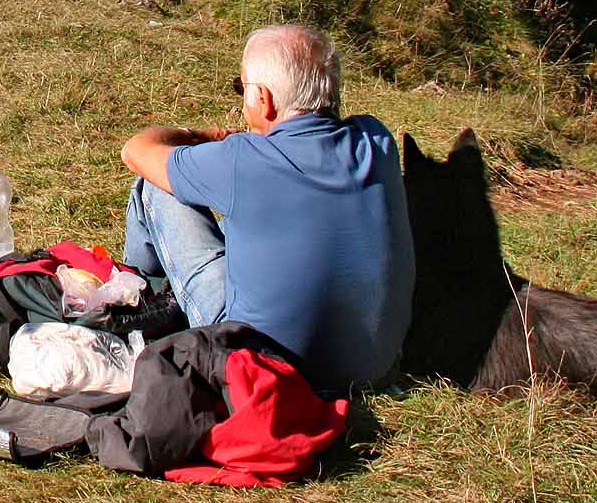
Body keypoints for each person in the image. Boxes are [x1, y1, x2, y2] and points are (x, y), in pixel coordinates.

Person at [118, 24, 414, 393]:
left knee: (155, 186)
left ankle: (137, 291)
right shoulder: (376, 140)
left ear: (263, 98)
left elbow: (136, 150)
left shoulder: (243, 160)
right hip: (372, 370)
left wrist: (201, 136)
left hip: (264, 371)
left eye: (241, 88)